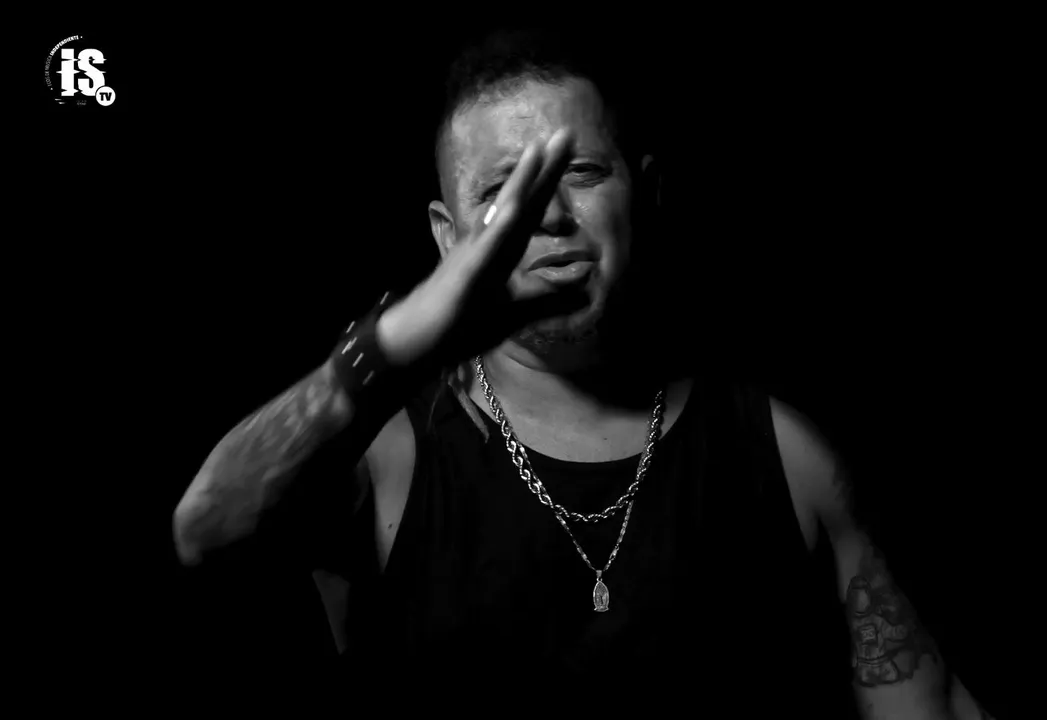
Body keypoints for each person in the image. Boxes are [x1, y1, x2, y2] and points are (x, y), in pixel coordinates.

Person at [171, 26, 996, 718]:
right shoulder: (390, 449)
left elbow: (926, 704)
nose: (551, 218)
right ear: (449, 236)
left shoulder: (784, 453)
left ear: (646, 191)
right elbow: (203, 528)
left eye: (582, 173)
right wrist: (390, 344)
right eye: (503, 192)